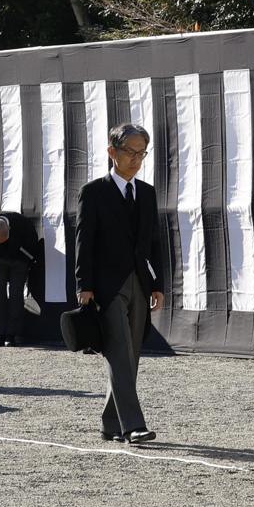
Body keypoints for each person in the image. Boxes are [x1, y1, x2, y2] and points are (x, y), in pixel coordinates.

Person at [76, 122, 166, 445]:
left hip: (140, 285)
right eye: (131, 152)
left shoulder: (147, 193)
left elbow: (155, 242)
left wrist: (159, 285)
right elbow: (83, 243)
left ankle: (110, 423)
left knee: (132, 354)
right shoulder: (93, 192)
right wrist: (83, 284)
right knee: (118, 353)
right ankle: (133, 426)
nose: (137, 159)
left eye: (142, 153)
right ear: (112, 152)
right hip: (106, 287)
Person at [0, 215, 32, 346]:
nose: (0, 243)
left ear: (9, 228)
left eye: (3, 240)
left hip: (19, 259)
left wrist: (25, 262)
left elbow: (32, 242)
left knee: (16, 294)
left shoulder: (22, 223)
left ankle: (11, 334)